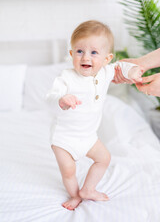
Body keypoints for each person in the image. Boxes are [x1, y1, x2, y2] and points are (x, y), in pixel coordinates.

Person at [46, 20, 143, 211]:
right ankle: (74, 196)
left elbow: (120, 68)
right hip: (64, 138)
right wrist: (62, 100)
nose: (85, 57)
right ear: (72, 54)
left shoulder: (106, 71)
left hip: (89, 136)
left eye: (93, 52)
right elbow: (50, 97)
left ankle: (88, 189)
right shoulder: (66, 77)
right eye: (80, 51)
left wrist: (132, 71)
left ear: (107, 59)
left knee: (104, 159)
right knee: (68, 170)